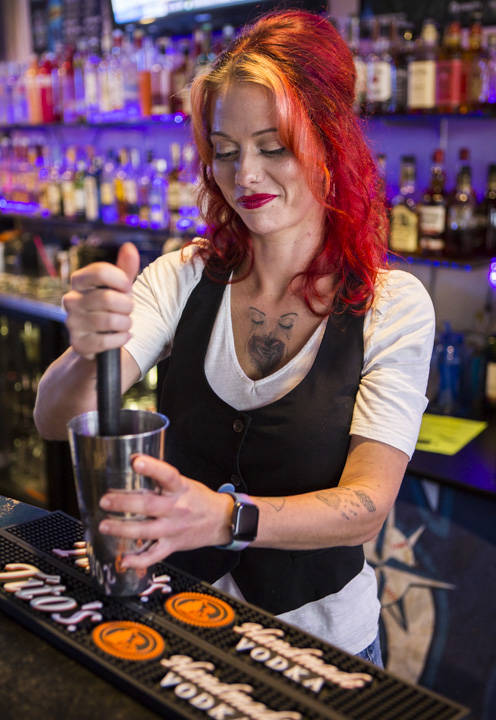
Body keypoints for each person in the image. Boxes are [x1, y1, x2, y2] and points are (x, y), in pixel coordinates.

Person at [34, 10, 435, 666]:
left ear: (330, 143)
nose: (244, 175)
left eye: (274, 146)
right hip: (174, 621)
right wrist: (85, 349)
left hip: (318, 643)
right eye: (224, 150)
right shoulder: (185, 274)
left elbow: (367, 506)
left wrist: (226, 519)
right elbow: (54, 419)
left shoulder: (393, 305)